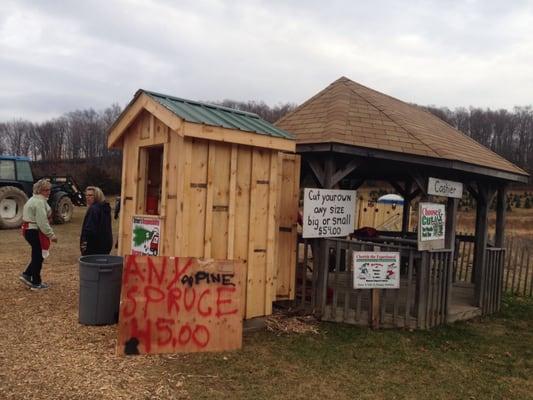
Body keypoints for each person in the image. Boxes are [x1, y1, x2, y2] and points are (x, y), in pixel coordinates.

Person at [20, 178, 58, 290]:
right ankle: (36, 283)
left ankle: (27, 274)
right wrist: (51, 235)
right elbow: (42, 221)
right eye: (46, 190)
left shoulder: (32, 199)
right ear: (39, 190)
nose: (48, 192)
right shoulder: (39, 202)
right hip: (34, 230)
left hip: (28, 230)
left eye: (49, 189)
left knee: (37, 255)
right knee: (38, 256)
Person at [80, 186, 113, 255]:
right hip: (105, 245)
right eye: (86, 195)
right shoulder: (105, 208)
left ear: (97, 196)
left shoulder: (94, 209)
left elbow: (89, 230)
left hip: (94, 247)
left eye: (90, 195)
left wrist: (84, 246)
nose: (87, 197)